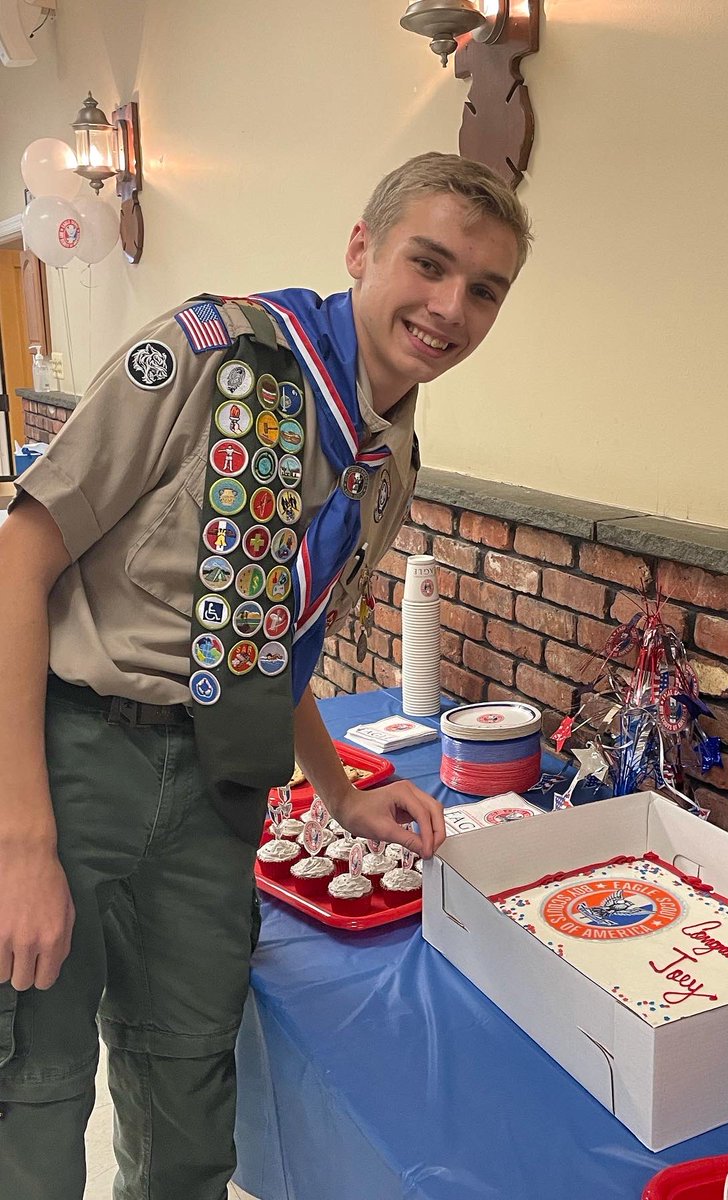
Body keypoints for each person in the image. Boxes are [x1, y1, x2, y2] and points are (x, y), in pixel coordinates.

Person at [0, 152, 532, 1200]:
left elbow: (275, 639)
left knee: (189, 1087)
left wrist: (340, 790)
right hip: (72, 756)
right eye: (427, 264)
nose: (448, 308)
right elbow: (22, 556)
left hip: (217, 788)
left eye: (484, 290)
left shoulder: (389, 456)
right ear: (359, 249)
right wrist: (21, 844)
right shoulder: (212, 354)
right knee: (36, 1086)